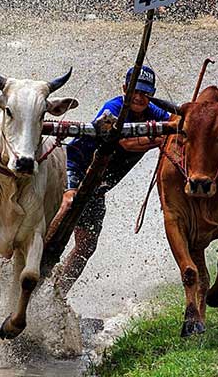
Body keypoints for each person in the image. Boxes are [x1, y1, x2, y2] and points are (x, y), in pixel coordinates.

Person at [55, 66, 170, 297]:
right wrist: (159, 139)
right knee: (67, 206)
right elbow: (125, 142)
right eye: (134, 91)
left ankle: (58, 292)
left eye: (145, 93)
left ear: (152, 95)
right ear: (125, 89)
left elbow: (175, 121)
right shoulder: (114, 107)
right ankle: (35, 263)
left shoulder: (153, 111)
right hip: (74, 169)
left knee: (87, 246)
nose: (139, 97)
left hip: (97, 188)